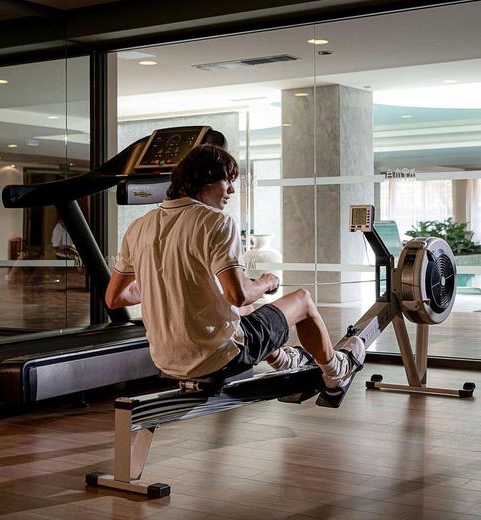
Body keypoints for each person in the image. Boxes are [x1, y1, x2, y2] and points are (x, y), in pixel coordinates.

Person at [104, 144, 365, 395]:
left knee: (242, 310)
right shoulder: (216, 222)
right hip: (220, 357)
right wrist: (266, 281)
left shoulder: (139, 227)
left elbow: (114, 297)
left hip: (165, 360)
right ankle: (335, 370)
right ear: (204, 180)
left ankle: (284, 360)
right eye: (227, 181)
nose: (231, 190)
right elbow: (239, 295)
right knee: (303, 300)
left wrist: (165, 284)